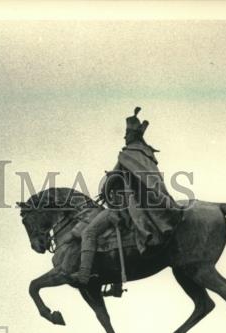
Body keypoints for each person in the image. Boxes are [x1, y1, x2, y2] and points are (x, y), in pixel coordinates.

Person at [73, 106, 182, 285]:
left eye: (126, 135)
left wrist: (107, 188)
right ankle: (115, 283)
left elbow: (113, 178)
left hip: (124, 207)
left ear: (132, 136)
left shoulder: (128, 154)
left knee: (89, 232)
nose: (125, 138)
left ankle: (83, 275)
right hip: (143, 205)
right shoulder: (146, 155)